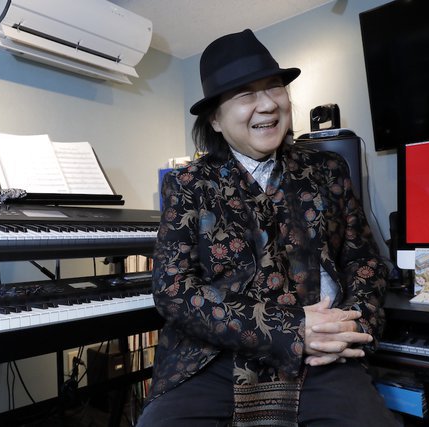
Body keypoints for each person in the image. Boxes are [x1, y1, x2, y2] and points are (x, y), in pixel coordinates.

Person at [137, 29, 398, 426]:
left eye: (274, 87)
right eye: (245, 95)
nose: (268, 104)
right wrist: (291, 330)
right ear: (215, 120)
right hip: (215, 358)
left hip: (323, 354)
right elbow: (173, 291)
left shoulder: (328, 171)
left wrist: (353, 325)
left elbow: (365, 261)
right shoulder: (188, 184)